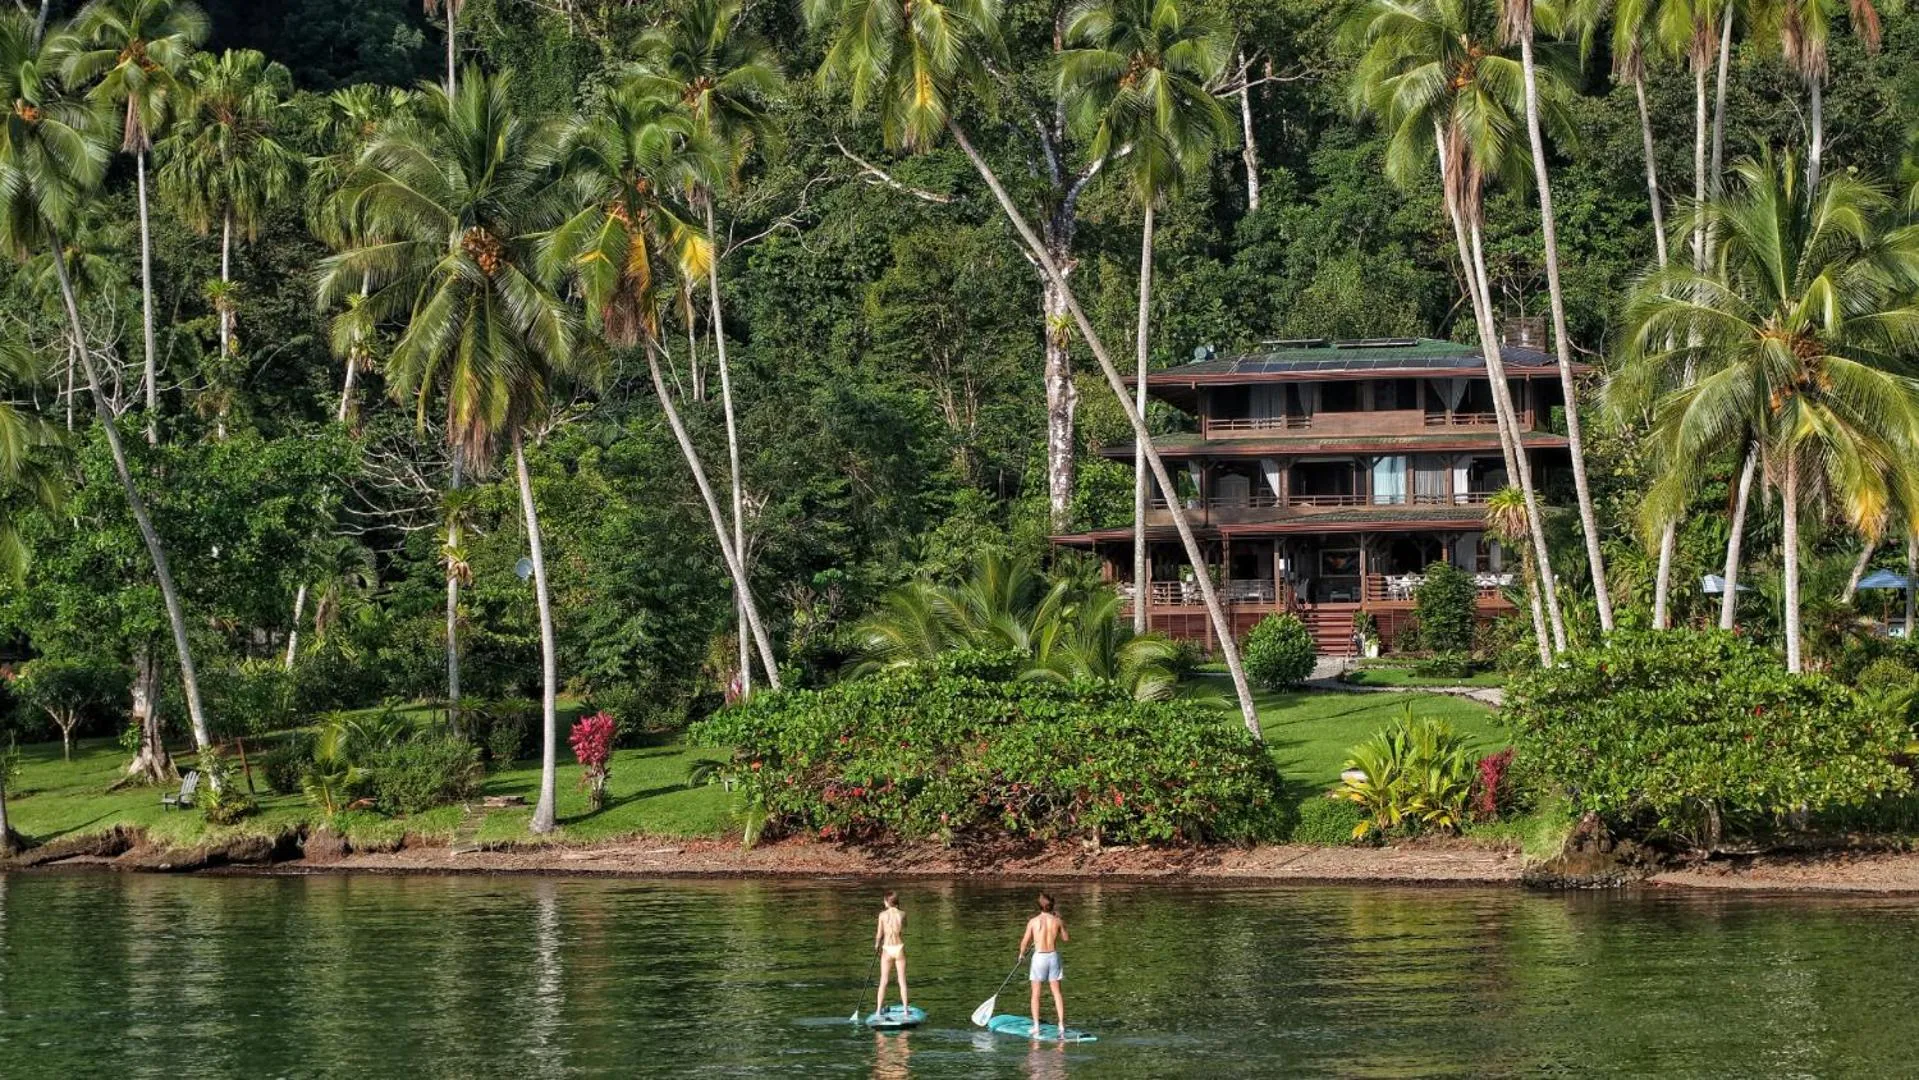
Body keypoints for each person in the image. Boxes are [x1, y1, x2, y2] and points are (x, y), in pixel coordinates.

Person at [1018, 892, 1069, 1038]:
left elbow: (1024, 942)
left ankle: (1036, 1027)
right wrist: (1062, 923)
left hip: (1039, 957)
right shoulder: (1057, 921)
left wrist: (1021, 954)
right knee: (1057, 993)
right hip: (1053, 956)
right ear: (1052, 906)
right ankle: (1061, 1025)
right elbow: (1066, 939)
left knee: (1036, 994)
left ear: (1039, 906)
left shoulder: (1033, 921)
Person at [874, 890, 908, 1017]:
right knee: (902, 981)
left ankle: (878, 1011)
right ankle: (905, 1010)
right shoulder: (903, 914)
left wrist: (877, 945)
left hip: (887, 948)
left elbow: (879, 934)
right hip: (899, 947)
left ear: (887, 902)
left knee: (884, 981)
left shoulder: (882, 915)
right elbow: (904, 928)